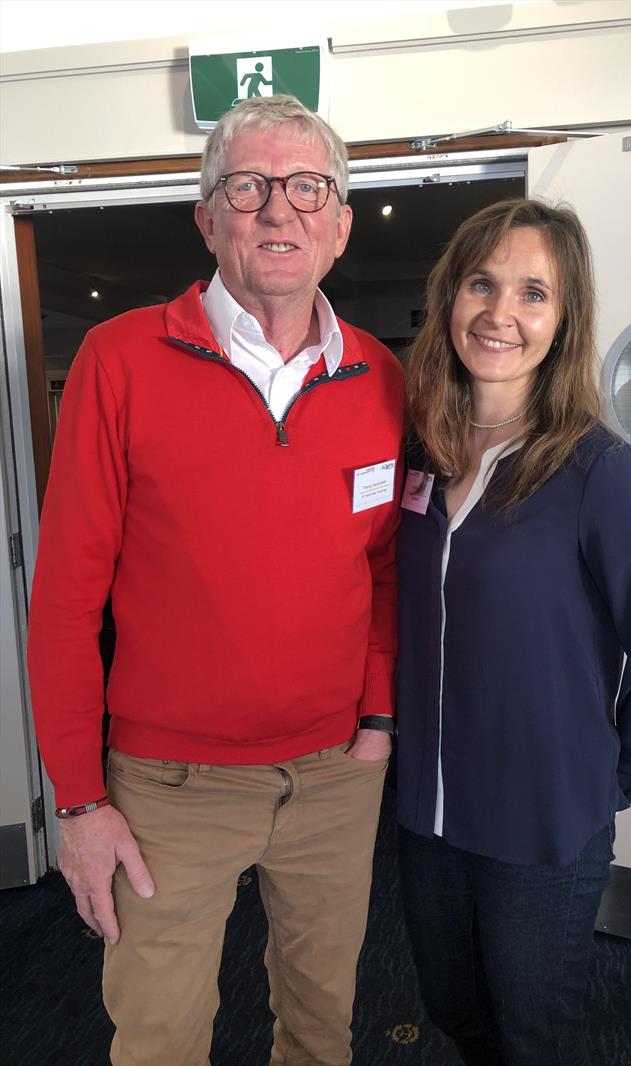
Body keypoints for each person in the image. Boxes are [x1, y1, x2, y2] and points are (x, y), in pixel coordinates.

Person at [27, 94, 404, 1066]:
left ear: (340, 223)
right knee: (158, 1036)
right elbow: (66, 595)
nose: (278, 210)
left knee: (322, 1024)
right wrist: (75, 799)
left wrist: (376, 716)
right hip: (166, 788)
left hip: (332, 779)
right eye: (248, 186)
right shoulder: (120, 360)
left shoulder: (378, 378)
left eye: (306, 187)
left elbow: (383, 570)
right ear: (206, 216)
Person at [395, 197, 631, 1066]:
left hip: (543, 820)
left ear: (563, 321)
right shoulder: (414, 456)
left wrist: (610, 780)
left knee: (538, 1036)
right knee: (455, 1007)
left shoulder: (595, 470)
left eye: (534, 293)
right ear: (450, 297)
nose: (501, 314)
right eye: (481, 284)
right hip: (428, 816)